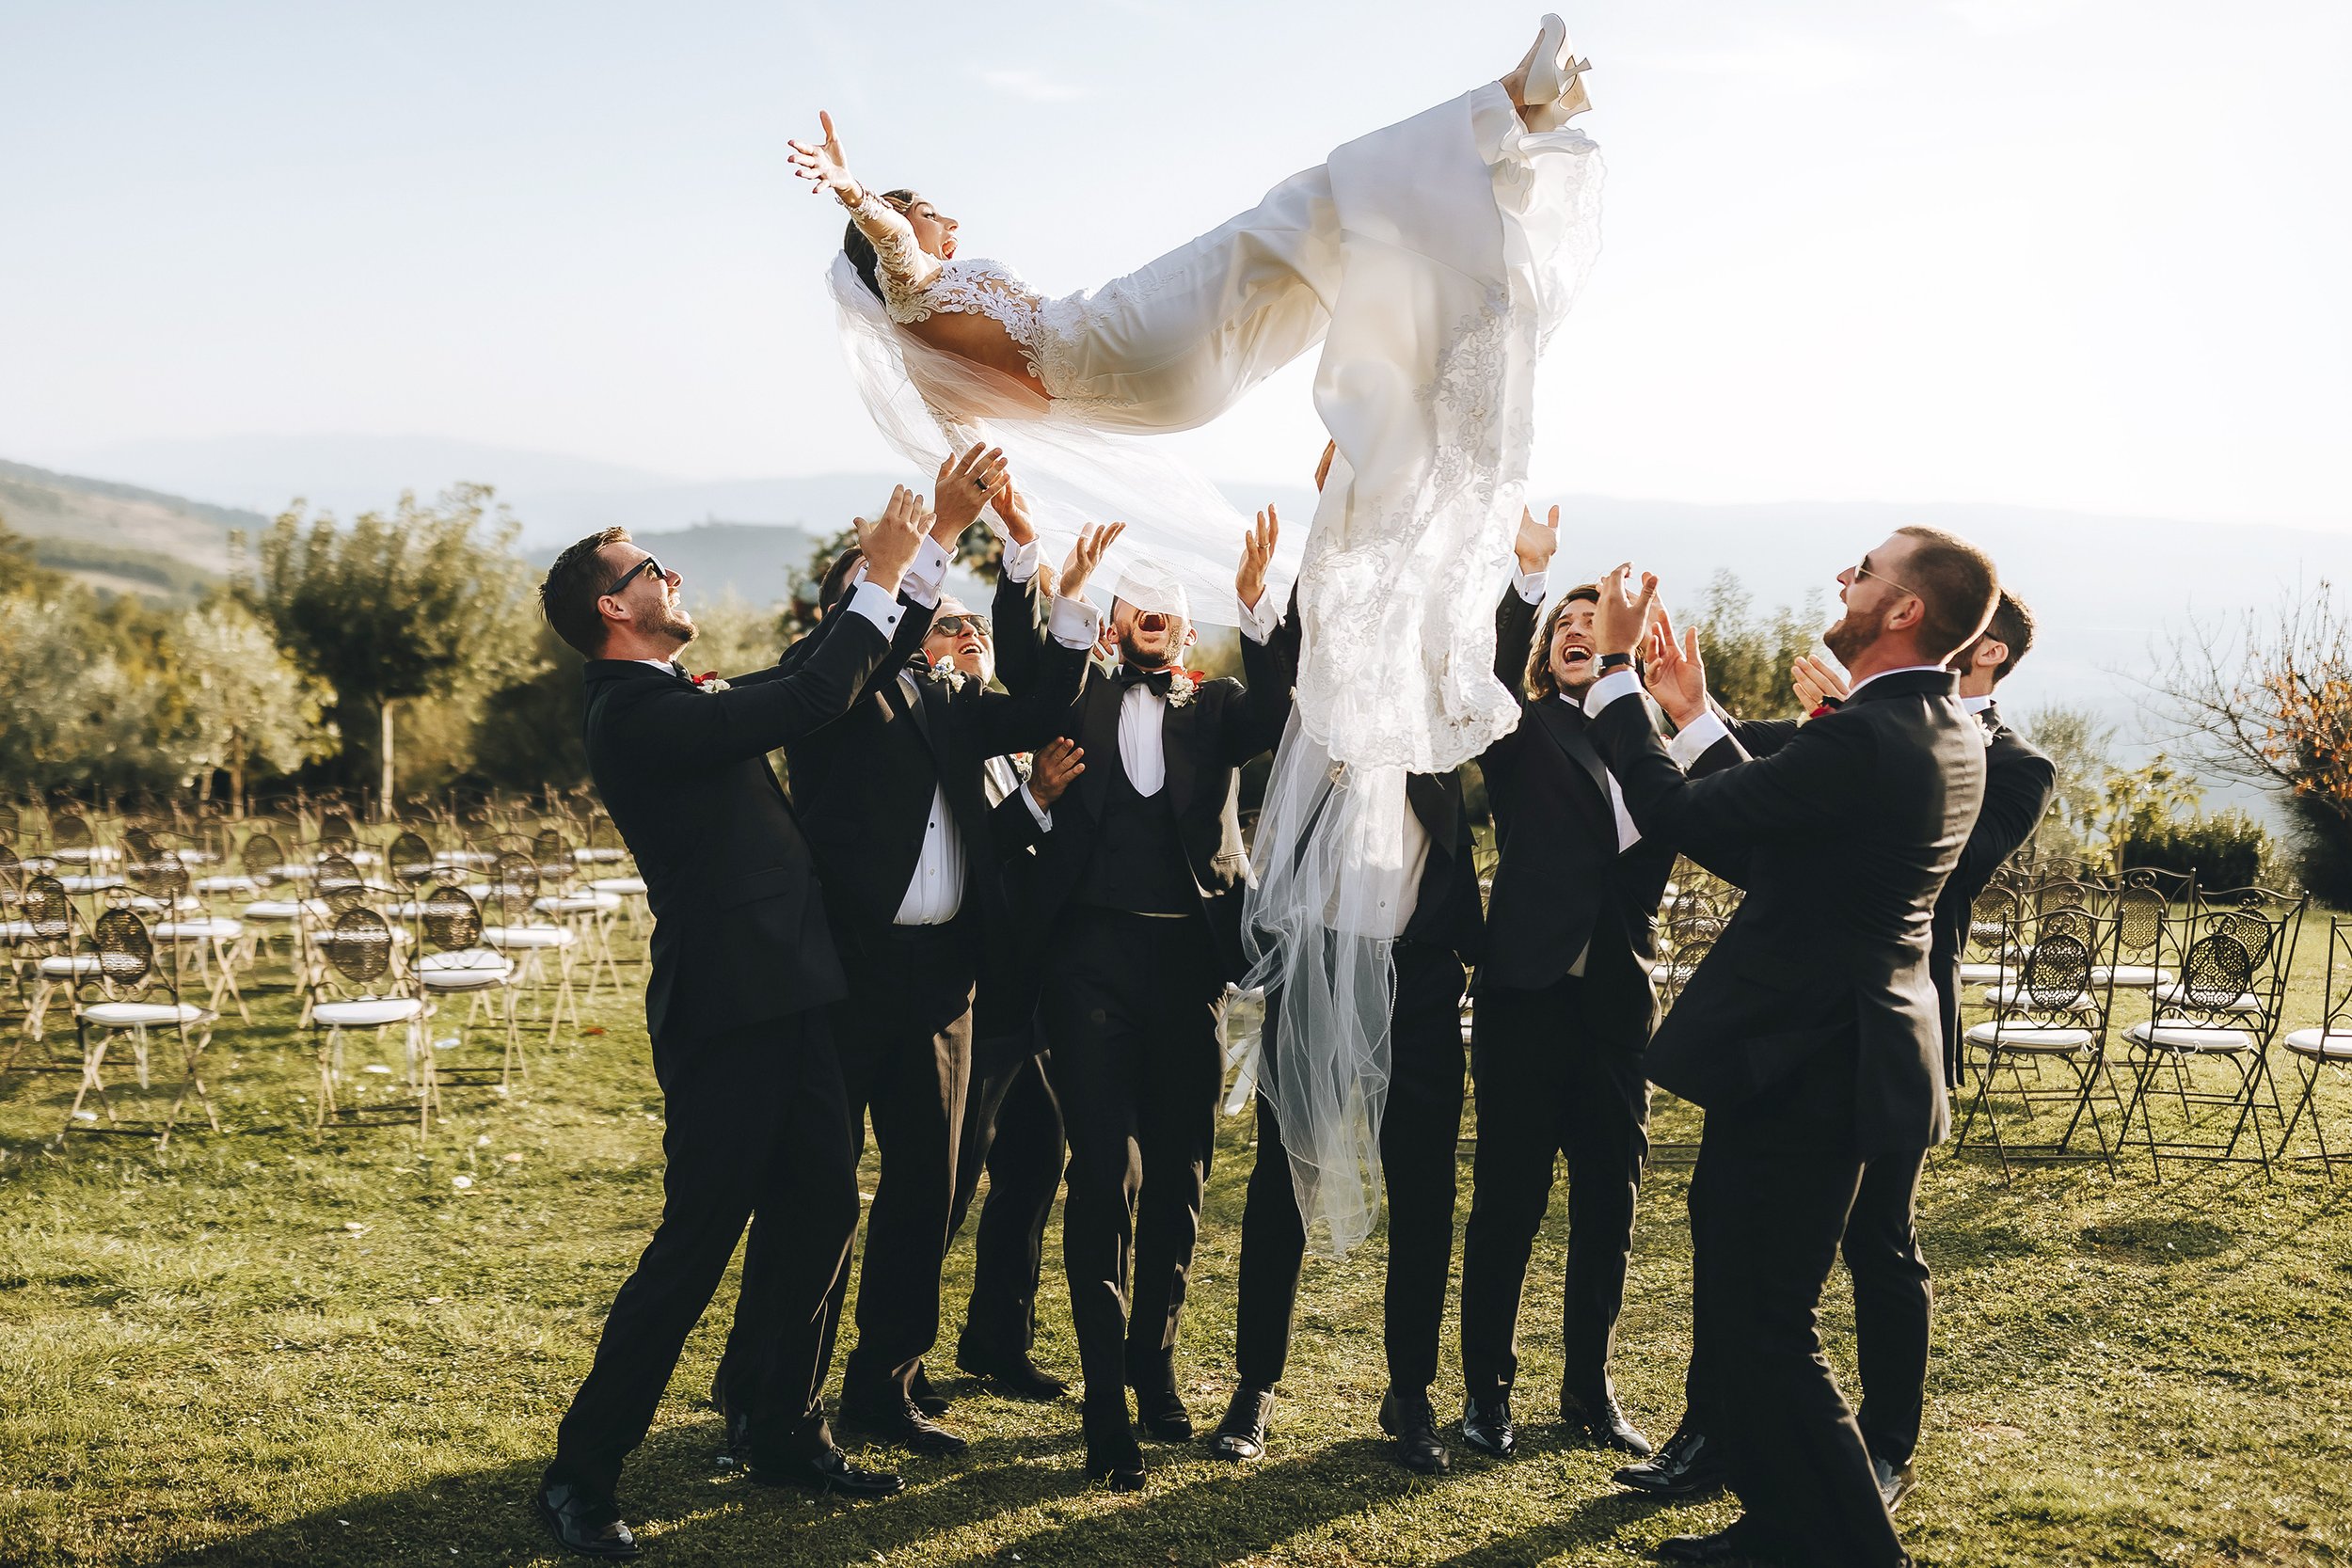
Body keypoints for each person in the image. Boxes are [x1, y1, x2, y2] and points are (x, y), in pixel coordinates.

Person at [1580, 528, 1998, 1567]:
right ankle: (1777, 1521)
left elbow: (1672, 810)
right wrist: (1690, 714)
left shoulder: (1860, 734)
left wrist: (1622, 676)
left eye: (1864, 570)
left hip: (1808, 1058)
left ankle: (1861, 1550)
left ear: (1903, 610)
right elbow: (1759, 844)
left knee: (1769, 1319)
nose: (1844, 579)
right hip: (1827, 1049)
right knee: (1744, 1297)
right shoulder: (1937, 726)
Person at [529, 497, 928, 1560]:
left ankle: (782, 1428)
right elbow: (805, 694)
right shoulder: (632, 711)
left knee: (822, 1212)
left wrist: (901, 568)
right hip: (725, 1010)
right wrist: (880, 579)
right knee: (697, 1242)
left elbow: (804, 676)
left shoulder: (669, 690)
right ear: (617, 605)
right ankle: (580, 1472)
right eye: (655, 567)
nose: (676, 577)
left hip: (795, 993)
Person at [781, 490, 1113, 1460]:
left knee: (926, 1188)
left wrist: (1045, 582)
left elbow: (1048, 705)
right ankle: (778, 1392)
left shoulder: (954, 704)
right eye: (875, 588)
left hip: (942, 985)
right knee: (819, 1192)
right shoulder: (826, 688)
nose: (910, 611)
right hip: (845, 976)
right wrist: (919, 547)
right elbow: (870, 639)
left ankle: (885, 1385)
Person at [1207, 453, 1495, 1477]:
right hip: (1309, 972)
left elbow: (1467, 615)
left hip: (1416, 985)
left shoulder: (1437, 735)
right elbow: (1293, 643)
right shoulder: (1311, 721)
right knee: (1280, 1183)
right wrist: (1343, 499)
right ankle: (1254, 1385)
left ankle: (1410, 1393)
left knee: (1423, 1195)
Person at [1004, 515, 1301, 1490]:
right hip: (1085, 961)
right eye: (1136, 602)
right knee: (1103, 1173)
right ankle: (1102, 1402)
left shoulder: (1216, 707)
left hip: (1188, 965)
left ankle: (1153, 1362)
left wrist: (1263, 607)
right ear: (1115, 617)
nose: (1154, 615)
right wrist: (1059, 593)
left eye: (1170, 606)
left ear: (1186, 626)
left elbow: (1281, 706)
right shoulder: (1074, 689)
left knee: (1178, 1174)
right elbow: (1026, 670)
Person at [1453, 508, 1678, 1466]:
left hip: (1617, 1011)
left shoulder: (1651, 741)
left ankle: (1588, 1390)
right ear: (1547, 653)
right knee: (1506, 1202)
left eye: (1596, 619)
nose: (1579, 630)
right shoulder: (1519, 729)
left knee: (1608, 1210)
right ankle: (1485, 1396)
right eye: (1564, 625)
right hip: (1524, 1000)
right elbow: (1487, 679)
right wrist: (1530, 580)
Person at [939, 553, 1091, 1403]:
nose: (969, 635)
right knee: (949, 1182)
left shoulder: (1010, 730)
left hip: (1032, 995)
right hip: (966, 995)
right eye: (949, 624)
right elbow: (967, 856)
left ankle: (998, 1339)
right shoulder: (941, 736)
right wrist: (1033, 799)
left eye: (976, 625)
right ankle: (898, 1360)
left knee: (1036, 1161)